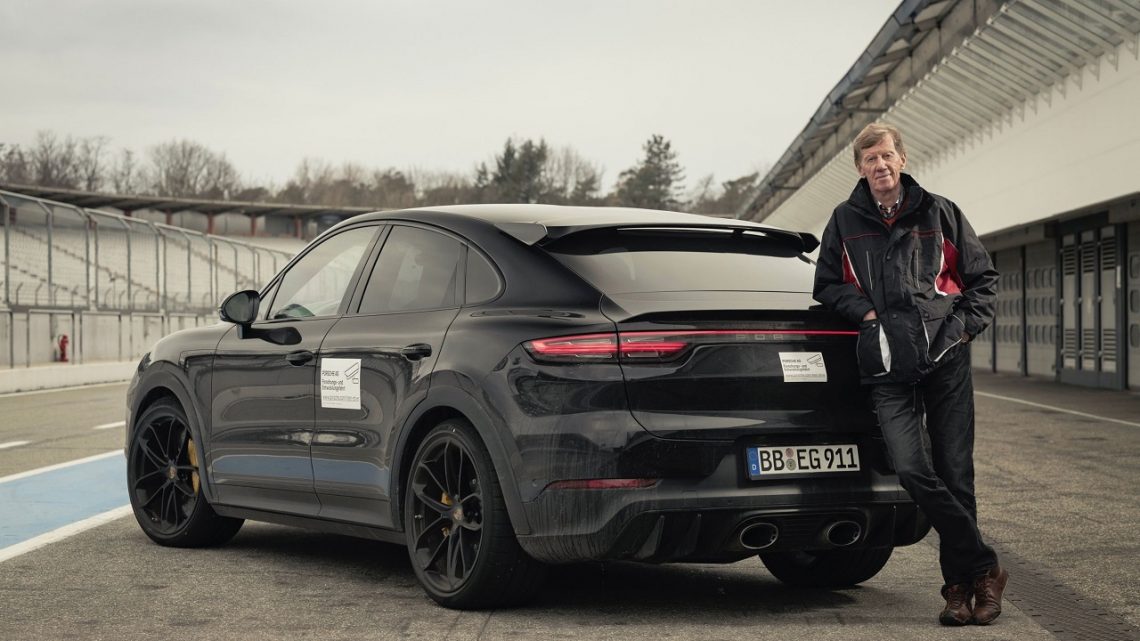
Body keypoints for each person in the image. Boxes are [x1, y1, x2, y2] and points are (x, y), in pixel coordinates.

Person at [813, 123, 1007, 626]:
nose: (879, 165)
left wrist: (960, 330)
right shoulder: (845, 220)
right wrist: (865, 313)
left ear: (901, 159)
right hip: (885, 363)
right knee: (912, 469)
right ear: (860, 168)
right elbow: (826, 283)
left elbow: (983, 280)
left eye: (886, 155)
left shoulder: (939, 212)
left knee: (955, 474)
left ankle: (960, 590)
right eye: (870, 159)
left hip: (944, 359)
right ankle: (985, 566)